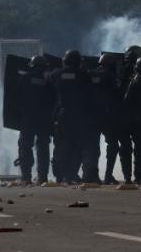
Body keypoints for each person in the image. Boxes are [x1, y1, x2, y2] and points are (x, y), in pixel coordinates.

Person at [50, 50, 99, 184]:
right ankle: (73, 174)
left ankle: (61, 176)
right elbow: (92, 94)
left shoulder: (56, 74)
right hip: (81, 116)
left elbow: (47, 89)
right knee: (77, 146)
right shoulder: (84, 74)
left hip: (63, 116)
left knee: (61, 146)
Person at [91, 53, 131, 184]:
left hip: (93, 115)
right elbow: (119, 93)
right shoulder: (111, 76)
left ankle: (92, 175)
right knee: (113, 145)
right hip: (109, 115)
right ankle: (108, 175)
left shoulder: (90, 74)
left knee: (91, 147)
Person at [15, 55, 55, 184]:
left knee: (25, 146)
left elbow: (16, 98)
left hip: (28, 118)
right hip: (44, 119)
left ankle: (26, 177)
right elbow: (55, 99)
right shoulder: (48, 80)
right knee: (43, 147)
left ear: (32, 65)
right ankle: (42, 177)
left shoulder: (24, 78)